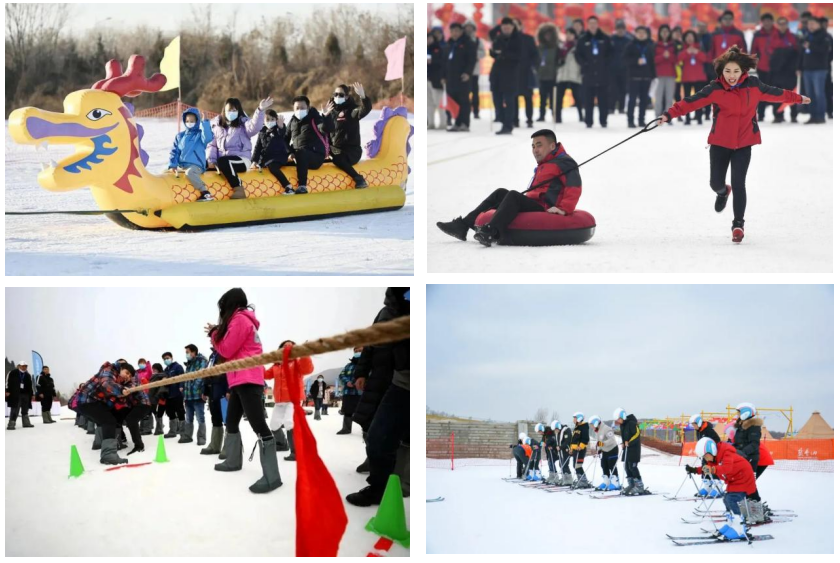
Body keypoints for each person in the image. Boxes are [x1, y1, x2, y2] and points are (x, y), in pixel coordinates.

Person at [656, 46, 809, 243]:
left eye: (736, 71)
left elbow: (776, 93)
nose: (731, 75)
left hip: (744, 143)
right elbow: (690, 102)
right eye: (727, 71)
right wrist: (668, 115)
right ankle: (722, 191)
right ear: (721, 71)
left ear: (743, 71)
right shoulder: (715, 89)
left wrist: (797, 98)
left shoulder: (754, 85)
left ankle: (738, 225)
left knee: (739, 184)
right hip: (720, 143)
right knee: (715, 183)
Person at [436, 129, 582, 247]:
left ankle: (491, 231)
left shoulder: (564, 162)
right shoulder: (546, 163)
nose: (535, 150)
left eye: (539, 145)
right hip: (535, 203)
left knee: (513, 195)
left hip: (545, 207)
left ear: (552, 146)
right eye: (533, 146)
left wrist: (563, 209)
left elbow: (574, 187)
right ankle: (462, 226)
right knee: (501, 193)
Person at [209, 288, 280, 494]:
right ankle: (232, 461)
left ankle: (272, 477)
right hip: (239, 379)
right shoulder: (238, 320)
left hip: (248, 378)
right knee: (231, 421)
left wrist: (214, 334)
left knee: (258, 424)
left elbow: (226, 350)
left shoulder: (240, 319)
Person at [346, 288, 410, 507]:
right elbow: (371, 345)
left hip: (405, 378)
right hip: (389, 379)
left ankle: (404, 480)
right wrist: (361, 372)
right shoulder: (386, 312)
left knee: (404, 437)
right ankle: (378, 484)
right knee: (375, 432)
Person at [690, 437, 768, 535]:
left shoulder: (726, 452)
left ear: (711, 450)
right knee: (726, 499)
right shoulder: (715, 457)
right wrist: (695, 470)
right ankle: (732, 523)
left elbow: (727, 468)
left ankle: (739, 528)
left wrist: (713, 470)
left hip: (743, 478)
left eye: (705, 456)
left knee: (732, 499)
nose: (705, 459)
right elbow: (708, 468)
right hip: (735, 479)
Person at [207, 96, 272, 199]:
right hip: (223, 161)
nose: (231, 112)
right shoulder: (217, 126)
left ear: (239, 111)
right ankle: (205, 193)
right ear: (224, 110)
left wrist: (260, 110)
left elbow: (254, 126)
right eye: (229, 110)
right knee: (207, 163)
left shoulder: (244, 124)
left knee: (224, 161)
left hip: (241, 159)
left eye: (234, 110)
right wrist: (211, 160)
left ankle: (239, 189)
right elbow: (212, 145)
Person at [69, 361, 132, 465]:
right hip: (88, 401)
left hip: (92, 402)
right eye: (127, 372)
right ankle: (108, 456)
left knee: (106, 419)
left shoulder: (116, 379)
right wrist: (121, 390)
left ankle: (100, 445)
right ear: (121, 369)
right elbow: (106, 383)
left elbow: (111, 396)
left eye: (129, 375)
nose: (127, 376)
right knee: (109, 421)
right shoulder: (109, 370)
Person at [264, 340, 314, 460]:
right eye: (284, 346)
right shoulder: (276, 365)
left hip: (294, 399)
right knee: (274, 424)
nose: (287, 347)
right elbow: (265, 375)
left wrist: (304, 353)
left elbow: (307, 369)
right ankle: (282, 444)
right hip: (280, 401)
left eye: (290, 346)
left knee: (289, 422)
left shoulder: (297, 361)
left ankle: (296, 452)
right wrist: (256, 364)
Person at [284, 95, 334, 193]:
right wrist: (290, 153)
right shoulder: (293, 121)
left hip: (315, 156)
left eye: (302, 108)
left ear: (308, 107)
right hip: (297, 156)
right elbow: (285, 139)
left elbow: (325, 129)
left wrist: (326, 117)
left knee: (302, 153)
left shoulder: (314, 118)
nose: (299, 110)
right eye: (297, 108)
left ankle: (302, 186)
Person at [326, 82, 372, 188]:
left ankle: (358, 178)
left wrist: (363, 96)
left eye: (341, 95)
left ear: (347, 97)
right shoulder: (330, 111)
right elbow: (325, 132)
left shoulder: (352, 110)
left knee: (338, 159)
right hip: (334, 150)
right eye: (335, 94)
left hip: (352, 151)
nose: (337, 97)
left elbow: (364, 110)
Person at [167, 108, 215, 201]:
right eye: (187, 121)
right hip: (183, 166)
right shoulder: (180, 136)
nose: (189, 122)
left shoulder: (200, 135)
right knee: (166, 171)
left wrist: (205, 122)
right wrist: (173, 164)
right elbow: (175, 151)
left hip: (196, 166)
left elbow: (208, 137)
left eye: (192, 121)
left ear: (197, 121)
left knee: (190, 173)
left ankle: (205, 192)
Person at [575, 15, 613, 128]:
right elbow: (578, 55)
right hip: (588, 73)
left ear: (597, 24)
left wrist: (605, 64)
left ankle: (603, 120)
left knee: (603, 99)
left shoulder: (605, 38)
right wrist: (584, 64)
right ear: (587, 25)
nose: (592, 25)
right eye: (590, 23)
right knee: (588, 99)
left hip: (602, 74)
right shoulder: (583, 39)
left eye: (594, 23)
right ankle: (588, 121)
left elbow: (611, 54)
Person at [489, 17, 522, 134]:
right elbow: (492, 39)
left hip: (510, 74)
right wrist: (494, 53)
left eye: (508, 27)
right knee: (497, 100)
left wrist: (503, 54)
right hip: (497, 74)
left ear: (513, 27)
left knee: (509, 101)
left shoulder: (518, 39)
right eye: (504, 27)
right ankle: (503, 120)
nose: (506, 29)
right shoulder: (498, 38)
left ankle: (508, 125)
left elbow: (519, 56)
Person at [251, 109, 293, 194]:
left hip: (278, 157)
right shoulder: (262, 132)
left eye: (272, 119)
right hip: (266, 159)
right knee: (264, 166)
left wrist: (281, 127)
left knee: (272, 166)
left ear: (276, 120)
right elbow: (257, 147)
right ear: (263, 121)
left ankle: (288, 186)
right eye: (267, 120)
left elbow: (282, 133)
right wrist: (254, 161)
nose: (270, 122)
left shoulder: (278, 129)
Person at [445, 22, 477, 132]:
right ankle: (457, 122)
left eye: (457, 31)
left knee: (464, 101)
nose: (455, 33)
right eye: (452, 31)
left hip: (463, 77)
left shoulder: (468, 43)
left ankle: (465, 123)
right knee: (453, 101)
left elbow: (472, 60)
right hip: (451, 78)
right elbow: (444, 62)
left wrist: (468, 73)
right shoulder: (449, 44)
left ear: (461, 31)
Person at [769, 17, 801, 123]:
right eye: (780, 24)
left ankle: (793, 115)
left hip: (790, 71)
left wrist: (796, 67)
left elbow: (798, 53)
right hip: (777, 71)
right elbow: (768, 52)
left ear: (787, 25)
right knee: (777, 94)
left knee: (792, 93)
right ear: (777, 25)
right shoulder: (772, 37)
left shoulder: (793, 37)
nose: (782, 26)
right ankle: (778, 115)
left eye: (784, 24)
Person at [800, 16, 831, 124]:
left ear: (818, 24)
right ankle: (813, 115)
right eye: (809, 24)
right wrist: (800, 67)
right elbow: (802, 53)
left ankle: (820, 116)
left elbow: (825, 50)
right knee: (810, 94)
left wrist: (811, 46)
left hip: (819, 69)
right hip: (807, 69)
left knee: (819, 94)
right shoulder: (807, 36)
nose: (811, 26)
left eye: (813, 24)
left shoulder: (825, 36)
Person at [624, 25, 655, 128]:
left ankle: (641, 120)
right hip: (633, 77)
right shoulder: (630, 45)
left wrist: (653, 75)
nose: (641, 35)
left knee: (644, 100)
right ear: (635, 34)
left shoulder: (651, 45)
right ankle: (630, 120)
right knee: (632, 100)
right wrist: (636, 61)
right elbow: (625, 60)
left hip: (646, 77)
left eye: (643, 33)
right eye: (639, 32)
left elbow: (653, 61)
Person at [118, 363, 153, 455]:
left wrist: (125, 390)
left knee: (131, 420)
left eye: (129, 373)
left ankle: (139, 446)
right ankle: (121, 438)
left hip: (143, 404)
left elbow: (132, 386)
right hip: (133, 405)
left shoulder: (133, 378)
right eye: (126, 372)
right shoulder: (119, 379)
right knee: (118, 415)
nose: (127, 375)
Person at [200, 347, 229, 455]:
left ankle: (229, 447)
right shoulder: (212, 356)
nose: (211, 341)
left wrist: (229, 390)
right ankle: (215, 445)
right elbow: (207, 375)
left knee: (228, 421)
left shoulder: (226, 353)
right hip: (213, 392)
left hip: (223, 393)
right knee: (215, 419)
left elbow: (230, 372)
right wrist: (205, 390)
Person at [677, 31, 708, 125]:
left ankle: (699, 117)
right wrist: (686, 52)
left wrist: (697, 52)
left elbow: (705, 59)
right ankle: (687, 118)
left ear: (695, 38)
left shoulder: (700, 47)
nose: (689, 38)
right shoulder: (683, 48)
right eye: (687, 37)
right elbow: (678, 60)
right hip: (686, 78)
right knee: (687, 100)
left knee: (699, 99)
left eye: (691, 36)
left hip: (699, 77)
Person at [751, 13, 777, 122]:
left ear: (772, 22)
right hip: (762, 67)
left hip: (776, 67)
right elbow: (753, 50)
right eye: (765, 21)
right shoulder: (758, 34)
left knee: (776, 91)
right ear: (762, 22)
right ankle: (761, 115)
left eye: (769, 20)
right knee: (761, 91)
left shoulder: (777, 33)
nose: (767, 23)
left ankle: (777, 115)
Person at [179, 344, 208, 445]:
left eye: (188, 352)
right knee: (188, 417)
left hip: (197, 395)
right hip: (188, 396)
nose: (186, 354)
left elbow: (201, 377)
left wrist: (196, 389)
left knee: (200, 417)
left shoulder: (202, 361)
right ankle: (187, 436)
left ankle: (201, 438)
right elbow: (186, 378)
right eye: (186, 352)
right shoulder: (188, 364)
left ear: (194, 352)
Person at [614, 407, 646, 495]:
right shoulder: (622, 425)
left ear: (623, 416)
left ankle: (639, 486)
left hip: (634, 449)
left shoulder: (632, 423)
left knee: (632, 466)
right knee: (626, 466)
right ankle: (631, 484)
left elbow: (637, 434)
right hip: (627, 449)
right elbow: (625, 437)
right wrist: (624, 443)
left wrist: (629, 442)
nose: (618, 421)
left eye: (618, 419)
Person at [513, 18, 538, 128]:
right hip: (513, 73)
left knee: (528, 97)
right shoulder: (507, 39)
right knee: (513, 98)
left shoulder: (528, 39)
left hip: (526, 72)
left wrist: (532, 66)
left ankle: (529, 119)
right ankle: (515, 119)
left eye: (515, 24)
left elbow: (535, 55)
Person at [689, 414, 722, 497]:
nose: (694, 427)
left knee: (713, 469)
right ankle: (707, 487)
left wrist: (711, 451)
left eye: (694, 425)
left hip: (711, 454)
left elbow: (717, 440)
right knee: (704, 468)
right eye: (692, 425)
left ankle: (718, 488)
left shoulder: (709, 430)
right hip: (704, 454)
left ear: (699, 423)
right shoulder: (698, 431)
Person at [535, 23, 561, 122]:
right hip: (542, 76)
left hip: (553, 76)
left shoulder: (556, 48)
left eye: (549, 35)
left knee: (554, 98)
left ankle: (555, 115)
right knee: (542, 98)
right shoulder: (539, 48)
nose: (547, 37)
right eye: (545, 35)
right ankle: (542, 115)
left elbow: (560, 60)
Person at [336, 347, 363, 435]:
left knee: (364, 411)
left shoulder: (368, 364)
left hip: (362, 392)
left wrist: (356, 382)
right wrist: (347, 382)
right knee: (347, 410)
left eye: (360, 351)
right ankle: (346, 428)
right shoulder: (348, 365)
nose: (358, 352)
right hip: (348, 392)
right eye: (356, 351)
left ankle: (366, 430)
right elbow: (341, 375)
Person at [654, 24, 678, 122]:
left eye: (666, 31)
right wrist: (663, 56)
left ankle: (668, 117)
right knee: (658, 97)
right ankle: (658, 116)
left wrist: (670, 56)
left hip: (670, 74)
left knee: (669, 97)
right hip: (659, 74)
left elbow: (676, 59)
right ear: (659, 33)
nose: (664, 33)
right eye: (662, 31)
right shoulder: (655, 45)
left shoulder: (673, 45)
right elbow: (654, 60)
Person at [590, 415, 620, 491]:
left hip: (612, 449)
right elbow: (599, 441)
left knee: (611, 465)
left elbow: (612, 440)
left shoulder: (606, 429)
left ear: (596, 423)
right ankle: (606, 482)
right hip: (605, 451)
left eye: (592, 425)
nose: (591, 427)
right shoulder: (598, 430)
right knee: (604, 465)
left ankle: (616, 483)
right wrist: (599, 449)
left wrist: (603, 444)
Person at [464, 22, 486, 120]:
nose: (468, 29)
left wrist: (475, 55)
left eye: (470, 28)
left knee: (475, 92)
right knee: (464, 92)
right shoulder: (462, 40)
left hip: (475, 70)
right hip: (463, 70)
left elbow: (483, 52)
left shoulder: (478, 40)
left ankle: (476, 111)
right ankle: (466, 110)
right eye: (466, 27)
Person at [609, 20, 631, 115]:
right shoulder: (611, 39)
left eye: (622, 29)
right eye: (618, 29)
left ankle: (621, 107)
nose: (620, 31)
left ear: (625, 30)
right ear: (616, 30)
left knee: (623, 89)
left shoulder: (629, 40)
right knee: (612, 89)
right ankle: (611, 107)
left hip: (625, 69)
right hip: (613, 68)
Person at [162, 352, 186, 439]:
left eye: (167, 358)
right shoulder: (165, 370)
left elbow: (182, 377)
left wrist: (181, 386)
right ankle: (173, 430)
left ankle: (182, 430)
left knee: (180, 411)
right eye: (164, 359)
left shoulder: (177, 367)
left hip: (177, 393)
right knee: (169, 411)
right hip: (168, 394)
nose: (166, 360)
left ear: (171, 358)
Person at [5, 361, 33, 429]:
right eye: (23, 366)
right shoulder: (12, 372)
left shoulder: (27, 375)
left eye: (25, 366)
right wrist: (7, 390)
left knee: (25, 409)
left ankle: (26, 423)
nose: (24, 367)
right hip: (16, 394)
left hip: (26, 394)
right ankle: (11, 424)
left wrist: (32, 394)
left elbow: (30, 385)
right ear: (19, 366)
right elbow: (7, 382)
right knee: (15, 409)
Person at [427, 32, 447, 129]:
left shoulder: (439, 49)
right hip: (426, 80)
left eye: (430, 38)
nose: (428, 40)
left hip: (436, 80)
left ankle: (443, 123)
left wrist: (432, 61)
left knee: (438, 103)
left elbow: (443, 63)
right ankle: (431, 123)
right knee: (429, 103)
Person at [569, 412, 590, 488]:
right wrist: (571, 449)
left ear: (579, 418)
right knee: (575, 465)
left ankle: (583, 482)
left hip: (580, 450)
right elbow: (573, 440)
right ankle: (580, 480)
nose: (573, 420)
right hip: (575, 450)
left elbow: (585, 438)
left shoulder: (584, 426)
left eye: (574, 418)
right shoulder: (576, 427)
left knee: (578, 465)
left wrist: (581, 446)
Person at [817, 16, 832, 120]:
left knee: (826, 90)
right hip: (816, 67)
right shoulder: (815, 36)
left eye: (825, 24)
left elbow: (832, 53)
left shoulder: (828, 37)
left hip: (825, 67)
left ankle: (829, 111)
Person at [148, 363, 168, 436]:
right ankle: (159, 427)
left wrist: (157, 396)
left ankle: (159, 429)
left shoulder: (161, 376)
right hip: (152, 397)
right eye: (153, 369)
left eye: (155, 369)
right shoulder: (154, 376)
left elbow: (161, 387)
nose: (153, 370)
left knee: (158, 413)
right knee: (155, 412)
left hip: (158, 397)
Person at [136, 358, 154, 434]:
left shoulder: (148, 371)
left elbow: (150, 372)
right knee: (142, 411)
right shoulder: (137, 372)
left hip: (148, 393)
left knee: (148, 411)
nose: (141, 364)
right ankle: (142, 427)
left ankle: (148, 428)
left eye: (143, 363)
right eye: (140, 363)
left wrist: (148, 364)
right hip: (140, 394)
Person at [553, 419, 574, 485]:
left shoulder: (566, 430)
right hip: (561, 452)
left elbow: (567, 441)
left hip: (566, 450)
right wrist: (556, 447)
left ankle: (569, 479)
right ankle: (564, 477)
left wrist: (560, 447)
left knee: (565, 464)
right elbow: (558, 441)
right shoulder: (559, 432)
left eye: (556, 429)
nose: (555, 431)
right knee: (561, 464)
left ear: (558, 427)